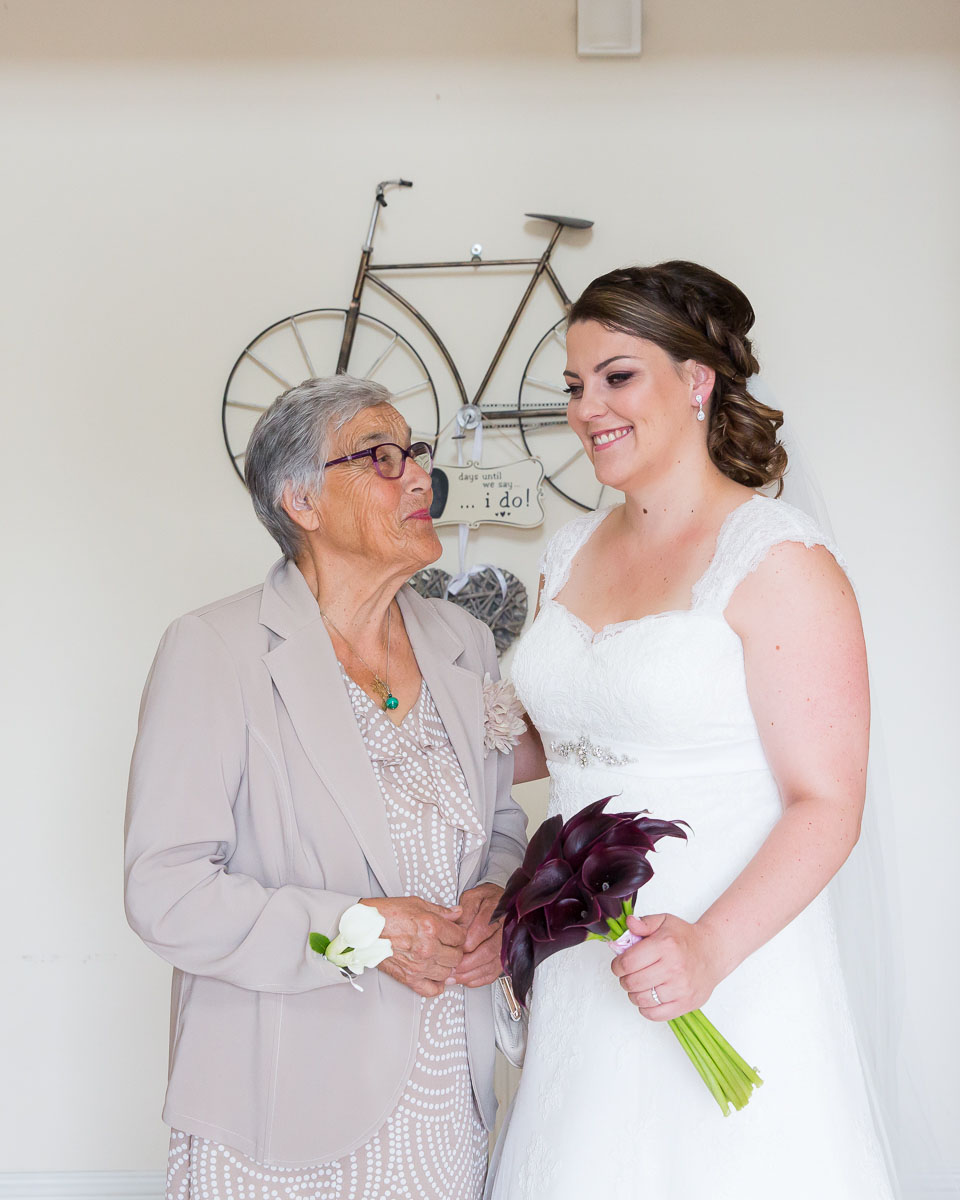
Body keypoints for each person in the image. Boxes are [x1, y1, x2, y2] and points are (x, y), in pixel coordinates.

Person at [493, 263, 895, 1199]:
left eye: (618, 376)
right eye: (574, 384)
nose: (588, 406)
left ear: (698, 381)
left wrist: (709, 947)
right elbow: (549, 742)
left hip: (731, 958)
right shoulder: (566, 553)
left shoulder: (778, 559)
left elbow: (828, 801)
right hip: (582, 966)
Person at [124, 375, 527, 1200]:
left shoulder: (465, 641)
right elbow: (167, 895)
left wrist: (497, 900)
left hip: (448, 1095)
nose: (421, 476)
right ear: (299, 502)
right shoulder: (214, 649)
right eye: (382, 457)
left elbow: (502, 829)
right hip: (281, 1106)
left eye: (416, 452)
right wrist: (357, 935)